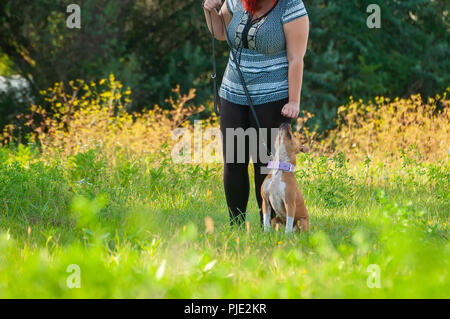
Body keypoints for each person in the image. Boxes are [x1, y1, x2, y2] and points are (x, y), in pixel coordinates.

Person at [203, 0, 309, 226]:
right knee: (234, 161)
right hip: (232, 93)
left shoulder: (290, 6)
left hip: (273, 98)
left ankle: (266, 226)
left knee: (265, 163)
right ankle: (237, 225)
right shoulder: (235, 1)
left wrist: (294, 100)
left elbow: (296, 58)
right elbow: (220, 33)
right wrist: (209, 10)